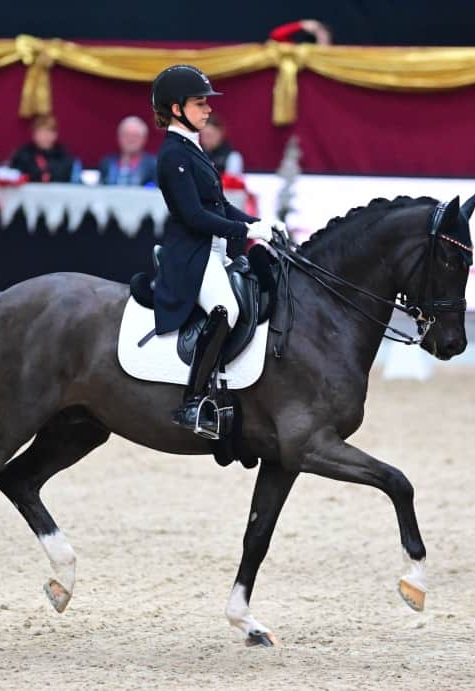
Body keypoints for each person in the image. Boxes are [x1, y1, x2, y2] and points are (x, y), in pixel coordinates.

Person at [149, 64, 278, 437]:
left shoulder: (193, 148)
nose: (207, 110)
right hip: (191, 253)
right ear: (176, 109)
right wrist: (245, 229)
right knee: (227, 309)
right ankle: (192, 403)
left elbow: (218, 206)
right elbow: (193, 216)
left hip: (214, 248)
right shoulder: (173, 153)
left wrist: (261, 224)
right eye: (199, 103)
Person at [8, 114, 80, 183]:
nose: (44, 137)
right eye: (40, 132)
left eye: (48, 132)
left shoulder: (65, 157)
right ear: (33, 134)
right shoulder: (22, 155)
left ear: (55, 134)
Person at [98, 116, 157, 186]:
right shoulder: (107, 163)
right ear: (119, 137)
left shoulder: (154, 165)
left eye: (135, 136)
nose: (130, 139)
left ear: (144, 139)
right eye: (126, 135)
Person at [268, 18, 332, 45]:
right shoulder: (297, 53)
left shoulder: (336, 57)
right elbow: (276, 35)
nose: (321, 36)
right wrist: (301, 25)